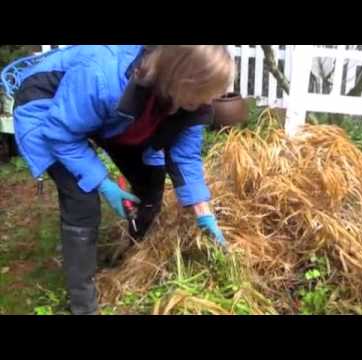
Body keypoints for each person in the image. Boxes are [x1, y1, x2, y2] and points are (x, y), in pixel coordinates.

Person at [11, 45, 235, 315]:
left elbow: (185, 157)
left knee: (152, 186)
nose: (209, 103)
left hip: (110, 117)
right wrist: (103, 183)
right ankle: (83, 305)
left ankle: (130, 256)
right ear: (181, 80)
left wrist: (203, 211)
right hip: (48, 109)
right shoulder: (102, 76)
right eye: (204, 95)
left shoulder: (190, 102)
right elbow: (60, 133)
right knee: (82, 198)